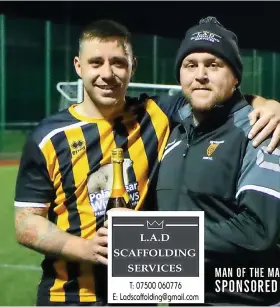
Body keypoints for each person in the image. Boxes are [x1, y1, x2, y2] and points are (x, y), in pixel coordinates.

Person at [14, 19, 280, 306]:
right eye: (96, 63)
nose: (107, 73)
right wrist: (87, 249)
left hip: (140, 294)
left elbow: (219, 98)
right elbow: (26, 221)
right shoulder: (47, 137)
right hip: (71, 295)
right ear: (79, 66)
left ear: (132, 67)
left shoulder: (157, 114)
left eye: (117, 62)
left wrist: (267, 105)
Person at [156, 16, 280, 305]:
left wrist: (151, 242)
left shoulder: (261, 130)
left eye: (213, 65)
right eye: (191, 65)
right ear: (180, 76)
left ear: (235, 76)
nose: (200, 74)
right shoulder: (174, 132)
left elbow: (257, 231)